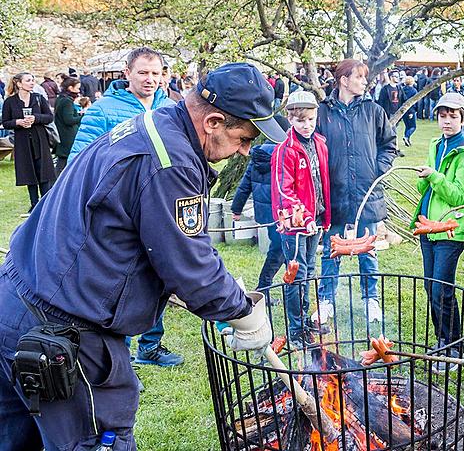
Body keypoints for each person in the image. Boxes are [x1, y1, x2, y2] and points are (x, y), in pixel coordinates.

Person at [0, 62, 283, 450]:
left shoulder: (154, 123)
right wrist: (243, 312)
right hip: (61, 330)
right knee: (98, 440)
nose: (247, 150)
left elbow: (167, 242)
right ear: (214, 121)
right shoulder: (172, 160)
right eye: (244, 138)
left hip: (16, 301)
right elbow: (189, 267)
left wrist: (219, 283)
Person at [68, 48, 183, 368]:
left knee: (158, 279)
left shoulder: (170, 108)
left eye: (156, 73)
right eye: (143, 72)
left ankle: (151, 346)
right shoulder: (104, 110)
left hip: (159, 209)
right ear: (127, 73)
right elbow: (80, 160)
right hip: (120, 213)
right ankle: (120, 356)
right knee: (122, 284)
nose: (150, 79)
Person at [315, 59, 397, 326]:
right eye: (359, 77)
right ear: (344, 80)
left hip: (366, 193)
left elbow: (389, 143)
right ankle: (326, 301)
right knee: (331, 251)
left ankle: (370, 299)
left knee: (368, 250)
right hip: (334, 194)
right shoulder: (323, 112)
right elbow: (313, 148)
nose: (364, 82)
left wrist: (377, 169)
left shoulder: (373, 110)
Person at [413, 92, 464, 365]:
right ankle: (442, 341)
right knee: (431, 288)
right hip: (428, 227)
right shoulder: (435, 144)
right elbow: (428, 186)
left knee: (442, 288)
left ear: (463, 119)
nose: (447, 121)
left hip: (450, 229)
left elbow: (460, 196)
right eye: (443, 115)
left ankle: (454, 348)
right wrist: (424, 179)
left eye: (453, 116)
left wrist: (435, 176)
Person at [271, 90, 331, 345]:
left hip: (315, 221)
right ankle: (295, 330)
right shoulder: (286, 150)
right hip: (294, 224)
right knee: (297, 274)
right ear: (290, 118)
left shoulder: (319, 142)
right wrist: (303, 217)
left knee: (310, 270)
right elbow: (285, 190)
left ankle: (304, 319)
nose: (306, 126)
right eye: (300, 121)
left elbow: (321, 182)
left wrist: (323, 216)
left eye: (311, 120)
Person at [231, 141, 282, 292]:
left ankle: (268, 286)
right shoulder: (281, 155)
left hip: (266, 215)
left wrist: (236, 209)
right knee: (280, 251)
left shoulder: (257, 156)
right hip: (281, 214)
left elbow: (244, 185)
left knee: (280, 250)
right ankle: (263, 287)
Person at [1, 73, 55, 214]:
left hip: (40, 139)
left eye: (33, 80)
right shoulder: (10, 102)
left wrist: (35, 118)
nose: (32, 83)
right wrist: (18, 122)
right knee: (28, 171)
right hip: (22, 140)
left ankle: (45, 202)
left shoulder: (39, 98)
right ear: (19, 84)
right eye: (28, 80)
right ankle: (34, 203)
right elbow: (5, 122)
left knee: (43, 171)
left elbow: (49, 117)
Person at [53, 76, 83, 175]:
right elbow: (69, 120)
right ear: (70, 88)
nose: (79, 90)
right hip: (67, 135)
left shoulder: (61, 98)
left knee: (63, 161)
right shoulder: (67, 101)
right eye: (77, 88)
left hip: (62, 132)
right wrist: (83, 116)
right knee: (65, 160)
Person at [401, 76, 418, 147]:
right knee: (413, 126)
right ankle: (406, 137)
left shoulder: (402, 90)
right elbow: (414, 102)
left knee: (407, 126)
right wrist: (413, 111)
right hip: (411, 110)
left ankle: (407, 140)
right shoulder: (414, 91)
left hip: (403, 110)